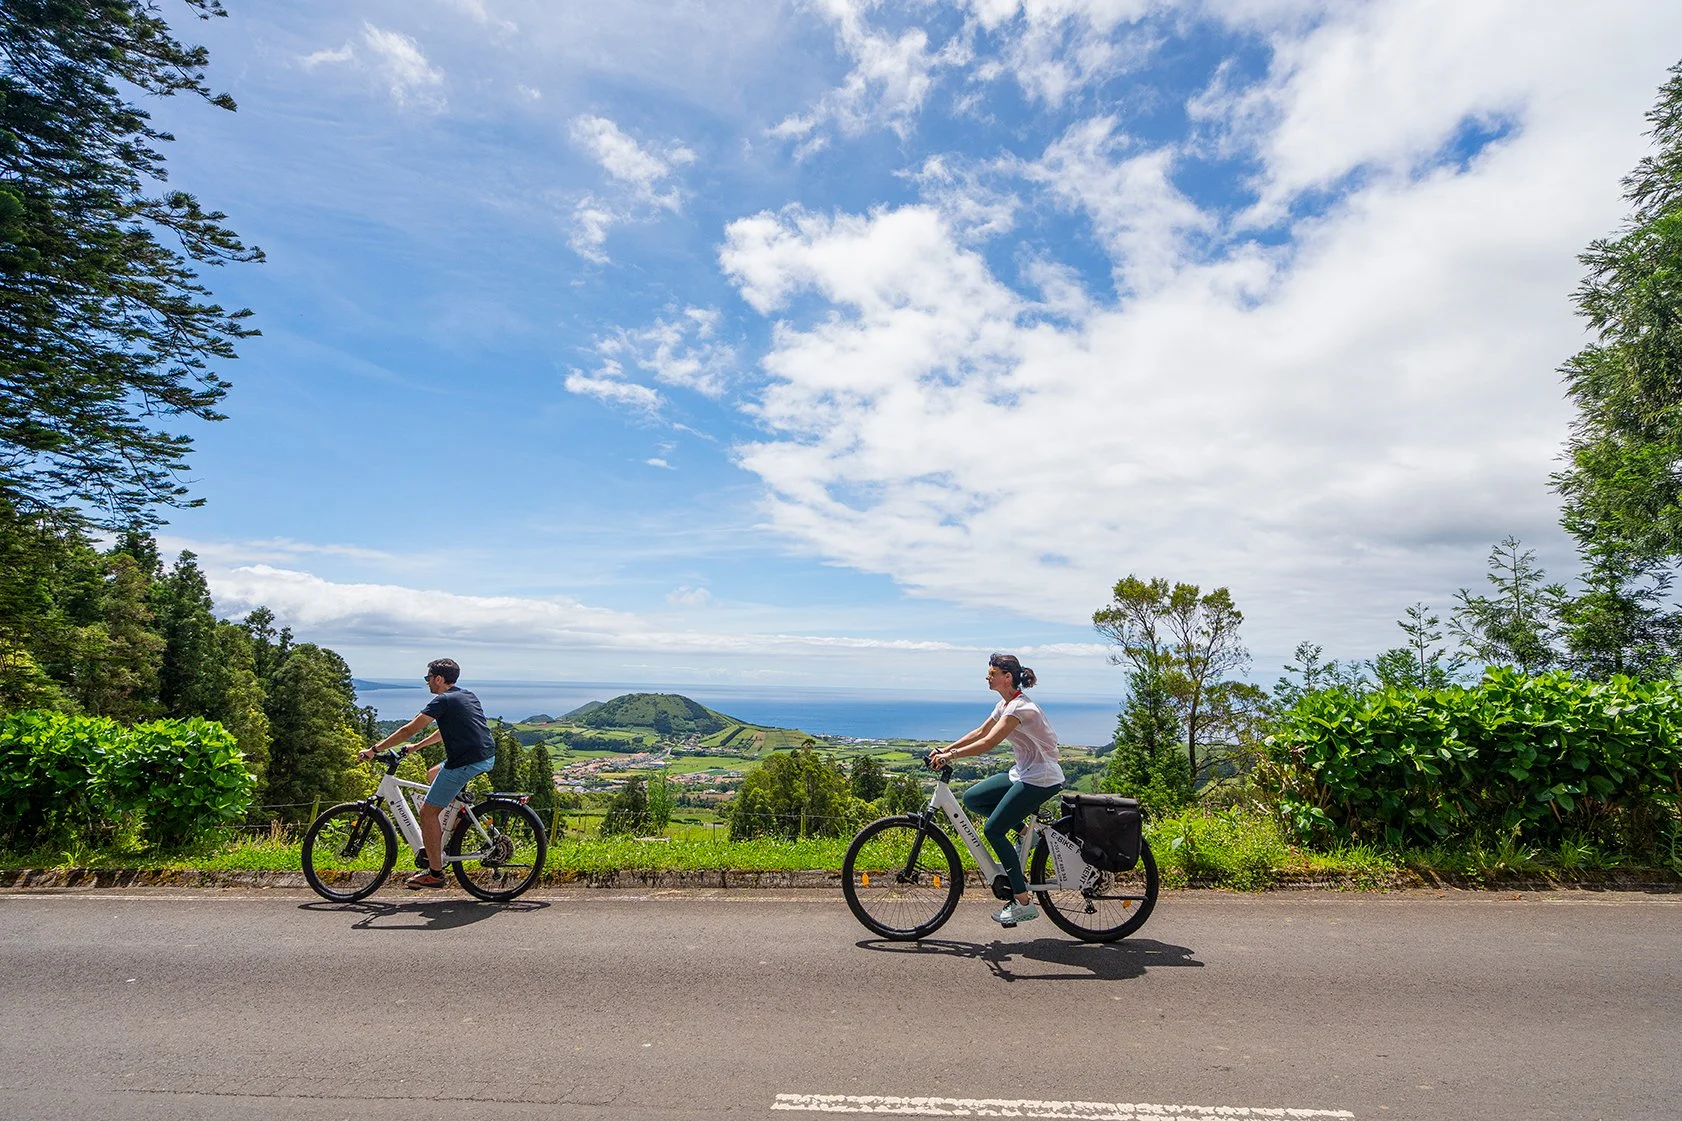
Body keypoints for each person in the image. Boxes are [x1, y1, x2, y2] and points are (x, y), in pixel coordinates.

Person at [928, 652, 1063, 926]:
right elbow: (980, 732)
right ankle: (1028, 834)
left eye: (991, 673)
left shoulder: (1020, 709)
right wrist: (946, 748)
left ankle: (1022, 901)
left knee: (993, 829)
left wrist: (951, 757)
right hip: (1023, 773)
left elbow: (988, 743)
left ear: (1007, 677)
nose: (987, 677)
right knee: (973, 798)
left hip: (1040, 778)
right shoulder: (1005, 705)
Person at [361, 658, 496, 889]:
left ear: (439, 679)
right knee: (432, 774)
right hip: (484, 757)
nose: (427, 684)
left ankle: (435, 874)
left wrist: (375, 750)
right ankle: (459, 816)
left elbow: (409, 729)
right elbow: (446, 731)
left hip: (464, 761)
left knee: (428, 813)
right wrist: (416, 747)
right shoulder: (466, 695)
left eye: (428, 679)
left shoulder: (442, 700)